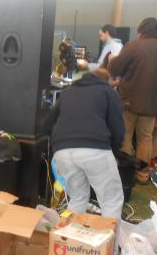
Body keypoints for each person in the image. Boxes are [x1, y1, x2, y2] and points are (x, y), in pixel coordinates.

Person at [42, 68, 125, 219]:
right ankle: (107, 235)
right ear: (106, 81)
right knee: (111, 201)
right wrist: (115, 152)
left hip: (62, 151)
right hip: (95, 149)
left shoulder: (68, 92)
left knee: (77, 198)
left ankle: (67, 232)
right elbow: (118, 129)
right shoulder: (108, 92)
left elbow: (46, 126)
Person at [108, 17, 157, 184]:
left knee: (125, 137)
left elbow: (115, 69)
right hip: (152, 103)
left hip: (128, 102)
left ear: (141, 31)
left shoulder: (133, 46)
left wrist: (112, 60)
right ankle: (142, 175)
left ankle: (124, 172)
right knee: (145, 139)